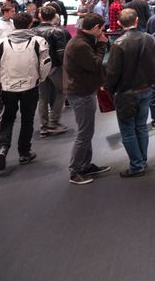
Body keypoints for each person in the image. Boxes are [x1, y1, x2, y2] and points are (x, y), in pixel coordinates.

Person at [0, 13, 51, 171]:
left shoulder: (1, 43)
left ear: (13, 24)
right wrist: (40, 79)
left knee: (8, 118)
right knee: (27, 119)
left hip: (7, 87)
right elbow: (45, 63)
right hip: (30, 87)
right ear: (30, 24)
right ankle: (24, 152)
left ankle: (2, 147)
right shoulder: (38, 41)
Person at [105, 9, 155, 178]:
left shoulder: (119, 43)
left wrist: (110, 89)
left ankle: (137, 165)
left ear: (119, 23)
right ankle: (141, 161)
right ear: (137, 20)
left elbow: (113, 71)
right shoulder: (150, 38)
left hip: (126, 93)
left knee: (128, 130)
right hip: (146, 89)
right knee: (141, 127)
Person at [63, 14, 111, 185]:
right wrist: (103, 45)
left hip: (83, 90)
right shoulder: (80, 45)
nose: (104, 31)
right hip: (80, 92)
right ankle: (75, 170)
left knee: (87, 131)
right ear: (96, 27)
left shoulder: (83, 41)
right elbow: (94, 63)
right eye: (102, 28)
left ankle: (85, 165)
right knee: (84, 133)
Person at [33, 5, 72, 137]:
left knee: (43, 97)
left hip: (39, 68)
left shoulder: (32, 31)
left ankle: (44, 126)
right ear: (55, 16)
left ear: (40, 16)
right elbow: (60, 52)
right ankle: (53, 122)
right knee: (62, 92)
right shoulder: (57, 31)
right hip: (55, 67)